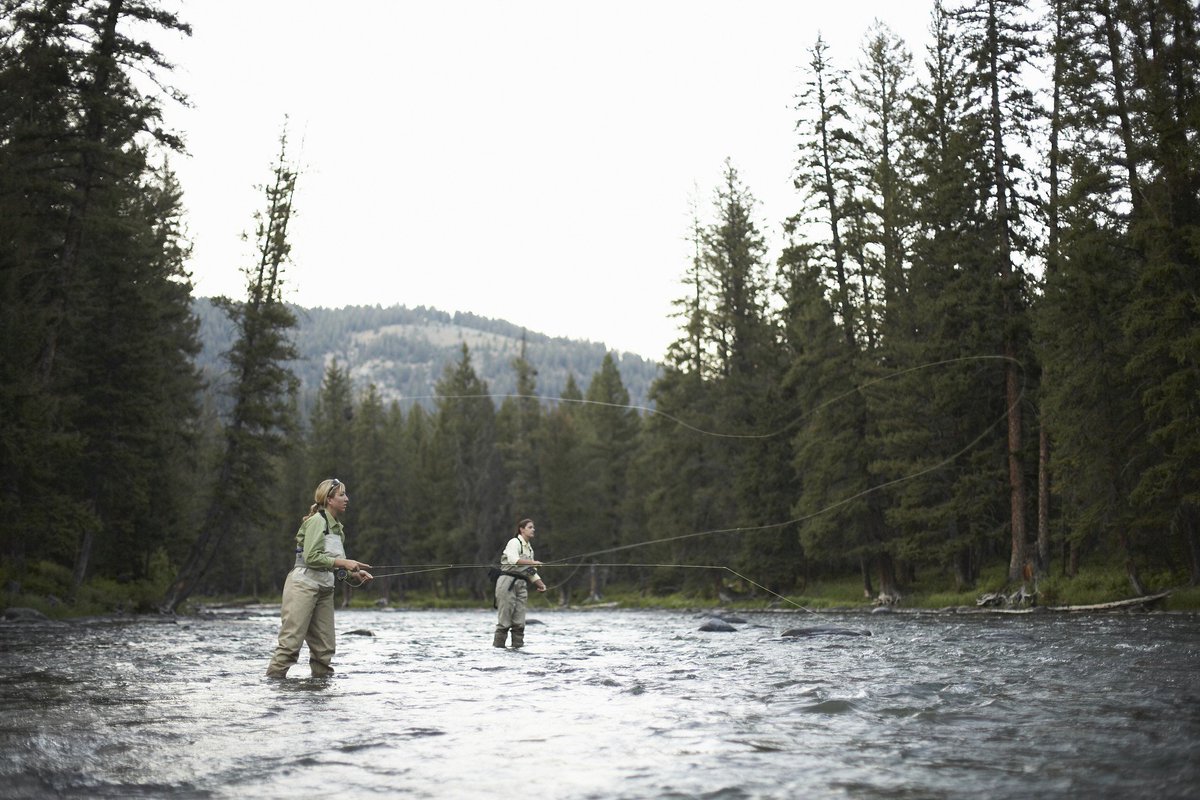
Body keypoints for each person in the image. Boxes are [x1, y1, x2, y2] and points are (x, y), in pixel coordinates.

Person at [266, 478, 373, 677]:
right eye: (342, 495)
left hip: (325, 588)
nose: (347, 499)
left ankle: (321, 696)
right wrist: (345, 563)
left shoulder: (338, 529)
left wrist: (354, 573)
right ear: (329, 500)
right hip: (303, 585)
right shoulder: (317, 521)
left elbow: (332, 562)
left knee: (324, 649)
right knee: (290, 645)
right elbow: (311, 557)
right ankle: (275, 695)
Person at [493, 518, 546, 649]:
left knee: (519, 622)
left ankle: (518, 651)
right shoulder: (514, 542)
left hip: (522, 584)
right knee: (504, 621)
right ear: (522, 529)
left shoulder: (529, 549)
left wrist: (540, 584)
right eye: (530, 527)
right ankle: (498, 651)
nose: (533, 529)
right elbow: (513, 560)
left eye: (533, 527)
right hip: (507, 581)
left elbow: (530, 571)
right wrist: (533, 563)